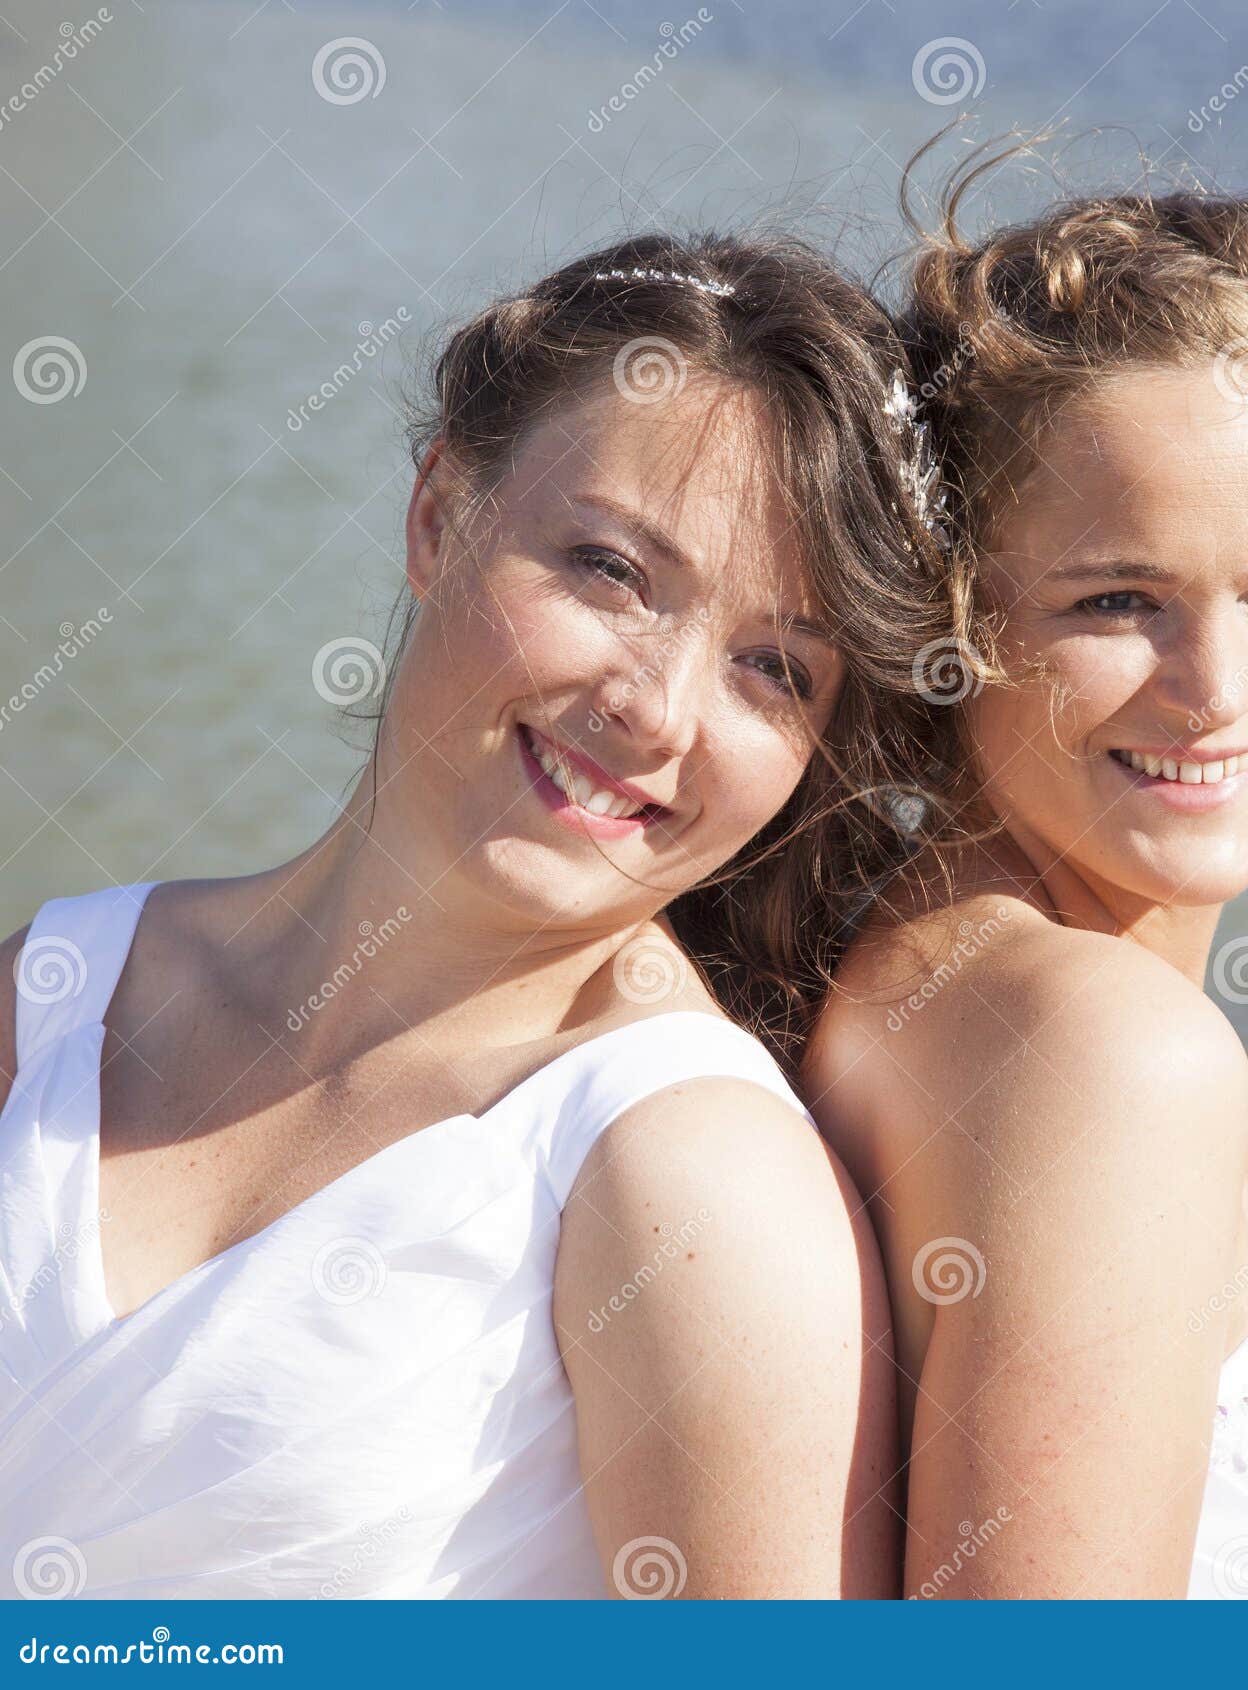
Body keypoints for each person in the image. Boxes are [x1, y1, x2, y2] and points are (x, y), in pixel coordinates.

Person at [0, 231, 951, 1599]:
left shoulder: (690, 1178)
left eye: (773, 667)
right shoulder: (61, 982)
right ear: (441, 512)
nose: (657, 707)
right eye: (614, 571)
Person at [803, 158, 1248, 1599]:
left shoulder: (960, 968)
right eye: (1119, 600)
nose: (1216, 690)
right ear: (951, 612)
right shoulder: (1105, 1048)